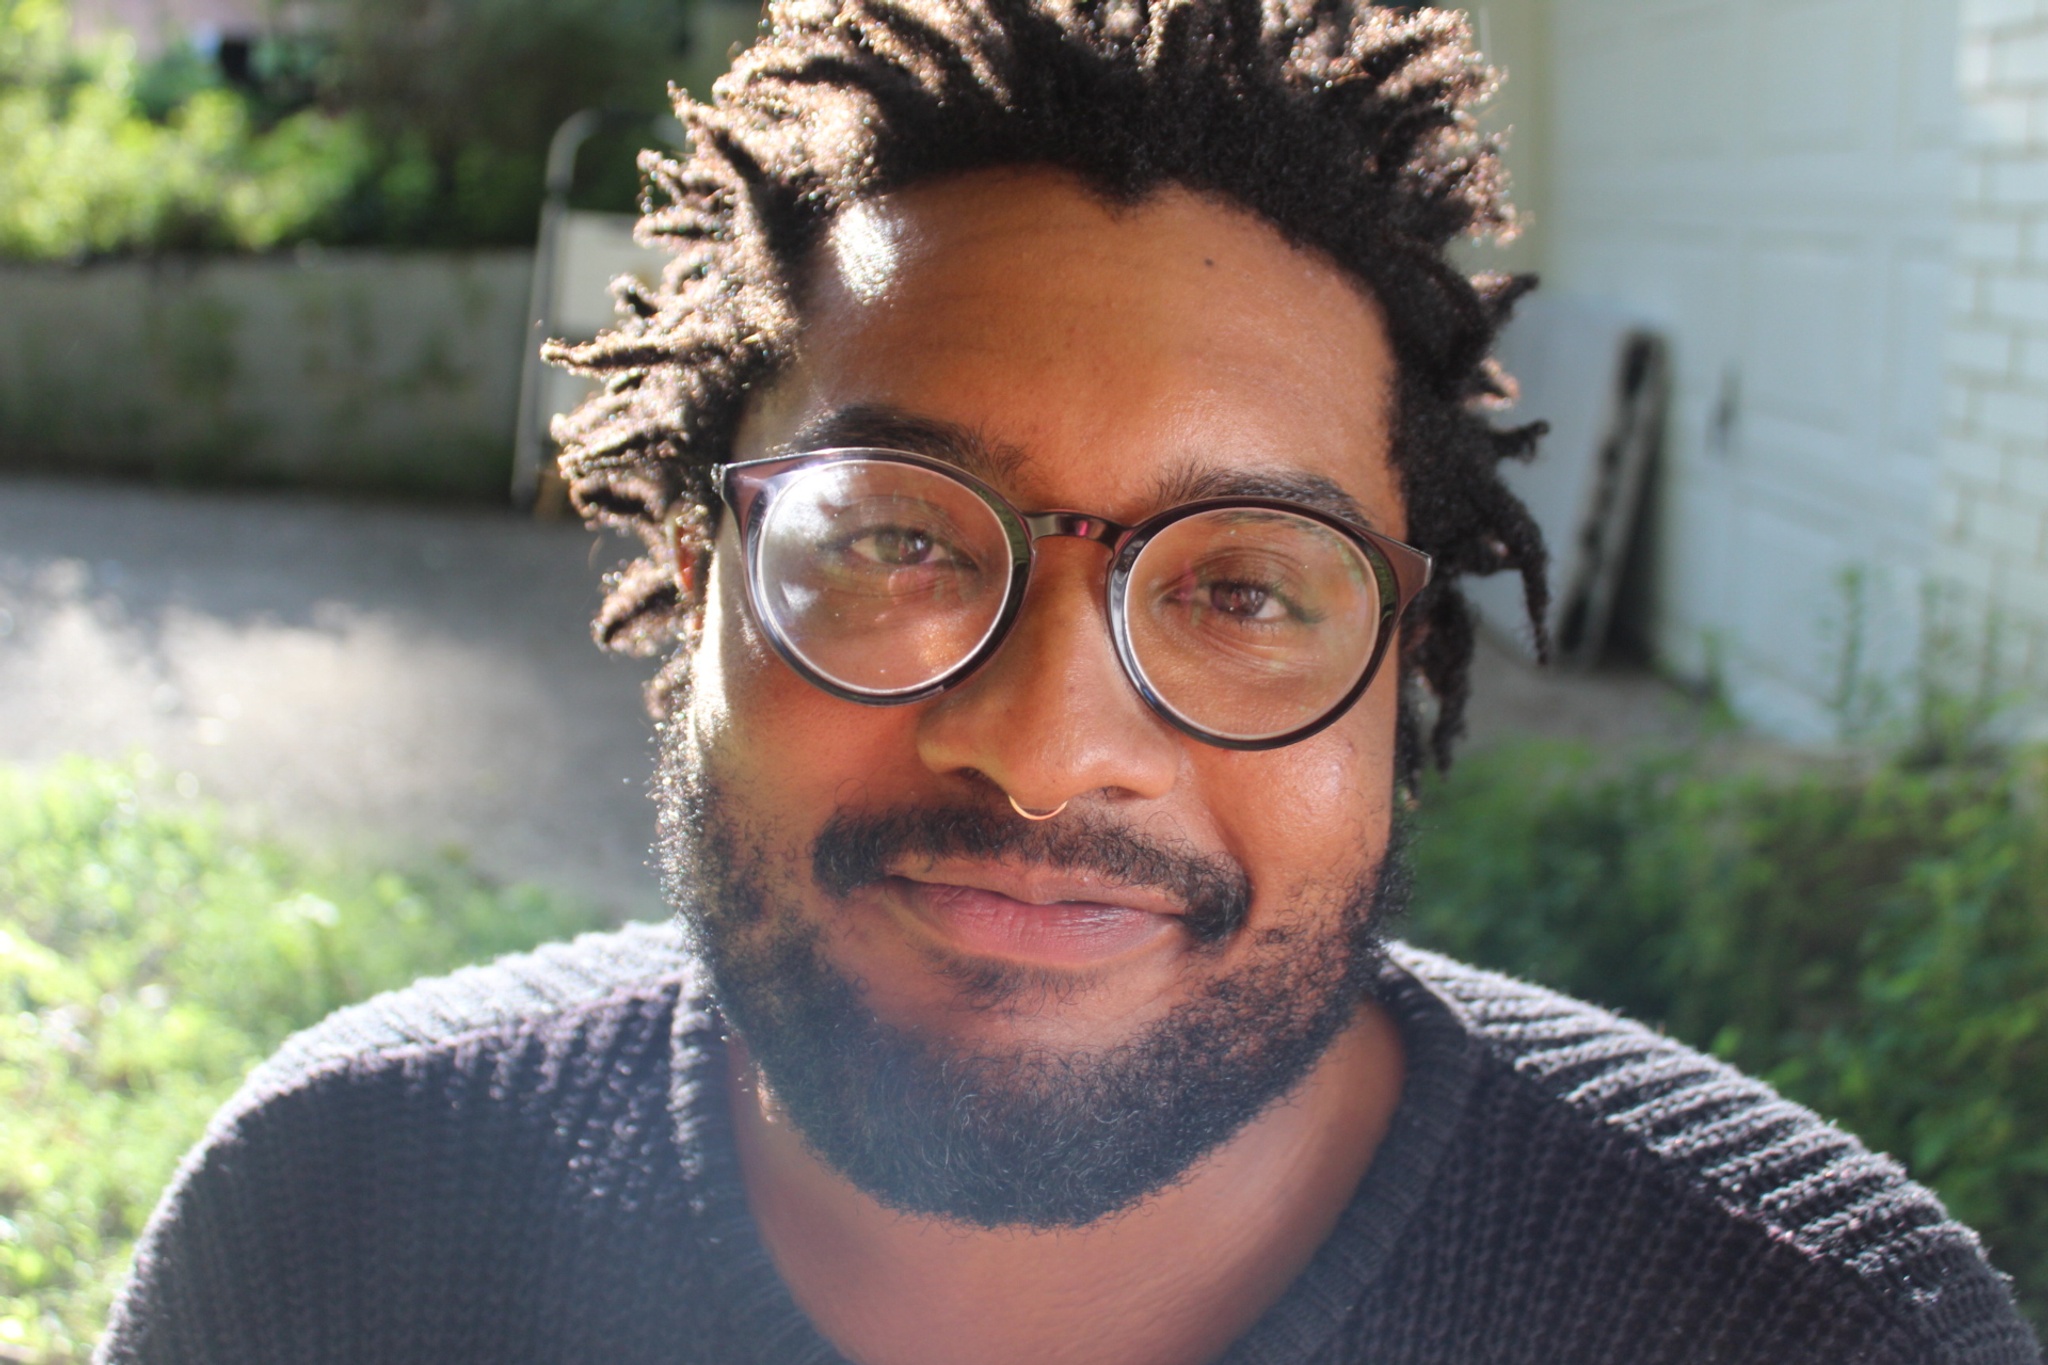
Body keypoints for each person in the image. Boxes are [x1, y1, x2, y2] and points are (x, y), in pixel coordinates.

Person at [100, 1, 2040, 1361]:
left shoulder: (1804, 1324)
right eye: (896, 539)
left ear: (1407, 671)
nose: (1042, 748)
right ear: (691, 593)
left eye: (1246, 587)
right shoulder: (328, 1224)